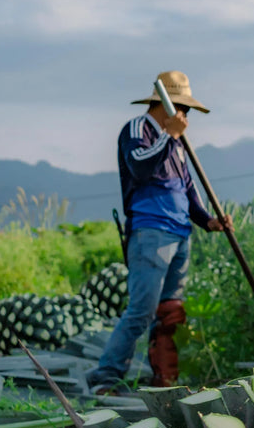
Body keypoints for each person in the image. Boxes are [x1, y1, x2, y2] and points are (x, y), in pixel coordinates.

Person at [88, 71, 231, 393]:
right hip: (151, 231)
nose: (185, 116)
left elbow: (187, 187)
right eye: (183, 108)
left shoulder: (177, 143)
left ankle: (165, 380)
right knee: (142, 310)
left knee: (170, 313)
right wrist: (169, 136)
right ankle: (106, 376)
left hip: (180, 232)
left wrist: (208, 220)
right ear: (165, 105)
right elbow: (139, 167)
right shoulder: (139, 129)